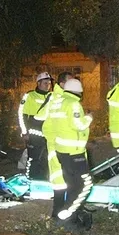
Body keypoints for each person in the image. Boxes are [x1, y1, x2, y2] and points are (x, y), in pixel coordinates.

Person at [50, 79, 93, 229]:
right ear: (79, 91)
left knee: (72, 185)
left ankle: (69, 217)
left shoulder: (57, 102)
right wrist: (88, 118)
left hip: (62, 151)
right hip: (74, 153)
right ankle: (66, 217)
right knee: (84, 185)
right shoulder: (73, 104)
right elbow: (78, 125)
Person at [39, 72, 73, 219]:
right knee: (60, 180)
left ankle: (65, 211)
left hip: (68, 145)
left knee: (69, 179)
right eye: (70, 82)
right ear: (62, 84)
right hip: (57, 145)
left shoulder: (67, 98)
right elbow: (39, 117)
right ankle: (58, 211)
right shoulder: (54, 98)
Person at [18, 72, 51, 181]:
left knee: (47, 159)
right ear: (38, 83)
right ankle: (31, 179)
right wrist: (24, 132)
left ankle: (44, 180)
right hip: (34, 134)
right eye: (45, 83)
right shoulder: (29, 96)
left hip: (48, 134)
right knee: (33, 159)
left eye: (49, 83)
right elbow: (21, 114)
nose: (48, 85)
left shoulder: (52, 96)